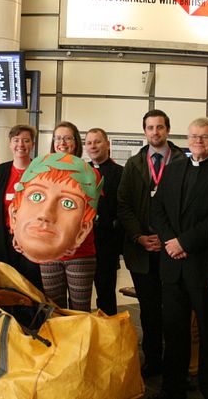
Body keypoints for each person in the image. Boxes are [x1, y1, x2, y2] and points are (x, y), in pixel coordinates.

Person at [151, 117, 208, 399]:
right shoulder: (173, 169)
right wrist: (171, 241)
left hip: (201, 265)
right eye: (194, 136)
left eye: (204, 137)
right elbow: (156, 209)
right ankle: (172, 387)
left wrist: (185, 242)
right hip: (172, 266)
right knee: (174, 330)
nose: (198, 141)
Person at [118, 109, 186, 377]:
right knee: (148, 310)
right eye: (150, 127)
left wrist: (171, 239)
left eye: (160, 127)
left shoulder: (183, 161)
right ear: (144, 131)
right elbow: (123, 206)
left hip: (174, 251)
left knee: (174, 310)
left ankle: (175, 365)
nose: (155, 132)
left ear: (168, 129)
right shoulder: (134, 165)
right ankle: (153, 360)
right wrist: (139, 237)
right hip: (142, 250)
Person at [38, 122, 97, 311]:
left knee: (80, 310)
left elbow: (90, 214)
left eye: (68, 138)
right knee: (53, 309)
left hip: (79, 252)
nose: (62, 142)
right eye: (58, 138)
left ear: (76, 142)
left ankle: (79, 342)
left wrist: (73, 242)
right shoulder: (41, 172)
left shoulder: (89, 173)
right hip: (49, 252)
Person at [0, 125, 43, 290]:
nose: (21, 144)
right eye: (16, 140)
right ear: (10, 144)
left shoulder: (41, 172)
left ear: (32, 144)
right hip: (3, 239)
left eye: (26, 140)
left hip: (32, 239)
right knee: (5, 286)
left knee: (31, 286)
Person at [8, 152, 102, 265]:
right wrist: (17, 233)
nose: (45, 214)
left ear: (83, 230)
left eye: (67, 203)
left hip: (80, 258)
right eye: (36, 197)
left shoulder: (88, 174)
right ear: (14, 214)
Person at [85, 127, 124, 315]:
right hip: (83, 244)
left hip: (107, 245)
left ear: (107, 144)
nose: (93, 146)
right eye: (89, 142)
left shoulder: (121, 173)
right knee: (80, 296)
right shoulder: (81, 171)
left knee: (106, 294)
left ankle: (109, 338)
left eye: (97, 141)